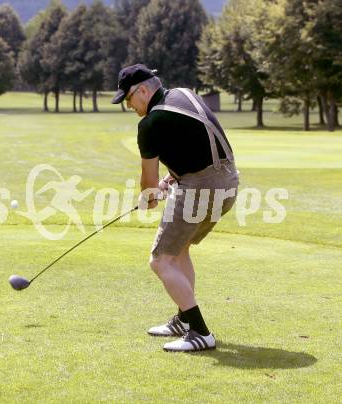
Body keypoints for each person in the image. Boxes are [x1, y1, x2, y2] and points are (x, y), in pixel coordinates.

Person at [111, 64, 239, 352]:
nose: (129, 107)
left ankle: (200, 332)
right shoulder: (184, 94)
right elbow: (200, 143)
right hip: (228, 183)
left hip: (201, 190)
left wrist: (150, 197)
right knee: (179, 251)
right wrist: (176, 176)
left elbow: (148, 181)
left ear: (143, 90)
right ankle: (183, 320)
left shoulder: (149, 124)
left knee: (161, 260)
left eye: (129, 100)